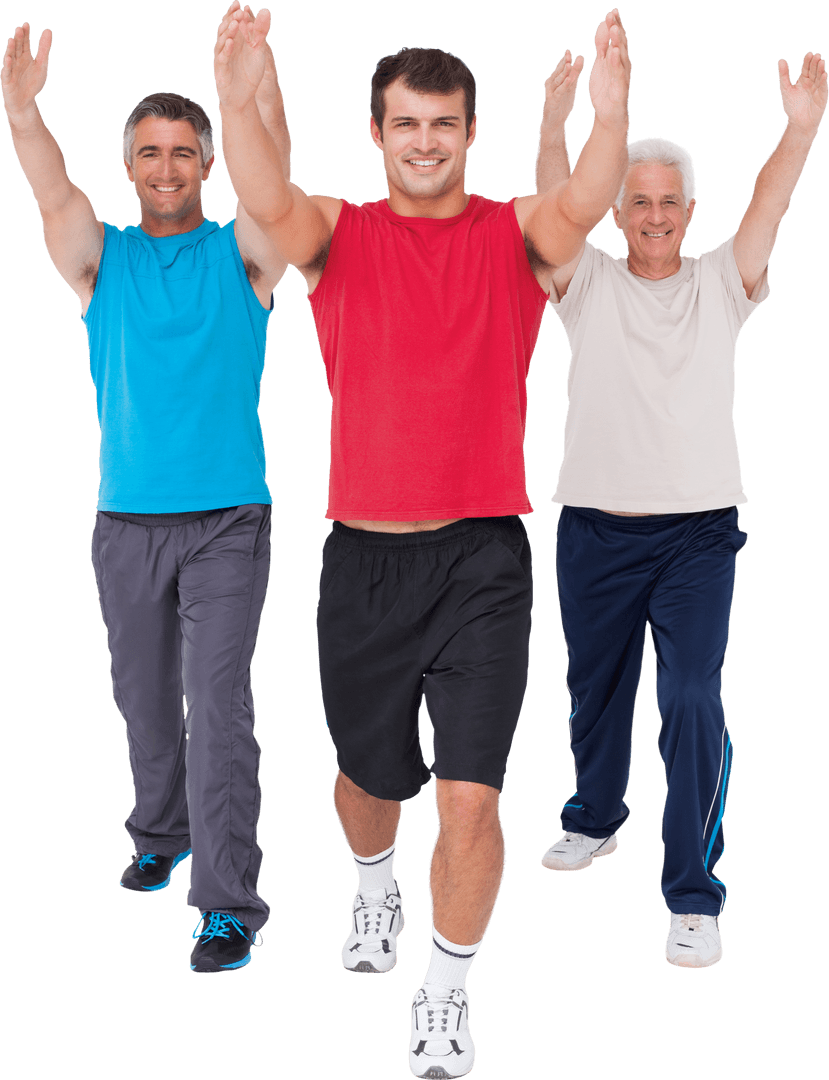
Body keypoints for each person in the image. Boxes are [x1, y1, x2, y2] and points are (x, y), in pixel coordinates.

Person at [214, 5, 630, 1074]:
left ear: (469, 131)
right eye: (405, 124)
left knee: (472, 797)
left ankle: (443, 992)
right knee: (367, 779)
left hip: (484, 558)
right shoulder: (338, 235)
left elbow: (585, 199)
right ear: (377, 133)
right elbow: (262, 196)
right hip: (360, 558)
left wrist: (611, 107)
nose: (425, 141)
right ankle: (371, 891)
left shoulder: (514, 233)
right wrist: (236, 89)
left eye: (442, 123)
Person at [1, 2, 291, 973]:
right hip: (124, 520)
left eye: (184, 152)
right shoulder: (100, 261)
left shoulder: (244, 257)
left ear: (206, 165)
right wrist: (25, 115)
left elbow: (275, 181)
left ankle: (227, 903)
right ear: (129, 165)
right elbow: (49, 197)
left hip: (225, 522)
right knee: (144, 702)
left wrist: (251, 86)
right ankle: (160, 833)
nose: (166, 168)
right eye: (149, 153)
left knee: (217, 705)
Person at [535, 48, 827, 968]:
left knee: (692, 695)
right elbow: (551, 211)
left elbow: (767, 204)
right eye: (638, 200)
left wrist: (799, 127)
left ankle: (693, 895)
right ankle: (594, 817)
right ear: (617, 211)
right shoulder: (586, 284)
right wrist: (555, 123)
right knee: (595, 694)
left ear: (686, 212)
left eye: (669, 201)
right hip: (592, 525)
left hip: (697, 533)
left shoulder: (719, 284)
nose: (654, 214)